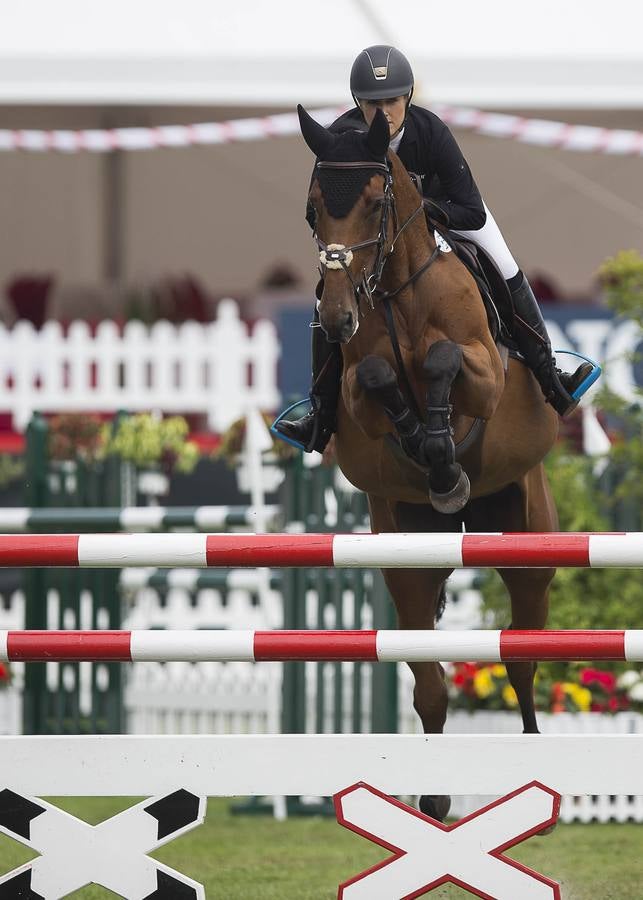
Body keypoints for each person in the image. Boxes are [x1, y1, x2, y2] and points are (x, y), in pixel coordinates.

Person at [276, 45, 593, 453]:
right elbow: (317, 206)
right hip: (374, 242)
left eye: (392, 101)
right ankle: (320, 414)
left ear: (407, 98)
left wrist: (419, 210)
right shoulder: (340, 138)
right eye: (373, 103)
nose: (384, 112)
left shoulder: (430, 131)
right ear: (358, 102)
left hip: (447, 223)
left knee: (504, 264)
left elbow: (471, 211)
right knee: (329, 295)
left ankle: (551, 377)